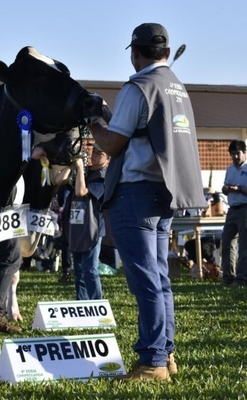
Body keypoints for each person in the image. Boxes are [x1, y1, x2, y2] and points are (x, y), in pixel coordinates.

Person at [90, 23, 207, 381]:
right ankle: (166, 354)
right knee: (159, 278)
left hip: (136, 192)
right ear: (167, 53)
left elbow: (112, 145)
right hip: (167, 191)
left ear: (134, 52)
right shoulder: (177, 87)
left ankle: (153, 361)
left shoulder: (137, 86)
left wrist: (93, 121)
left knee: (146, 281)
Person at [57, 143, 110, 300]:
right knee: (79, 270)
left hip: (92, 228)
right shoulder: (87, 172)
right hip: (76, 227)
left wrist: (80, 169)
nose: (94, 155)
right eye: (94, 152)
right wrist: (72, 164)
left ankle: (96, 303)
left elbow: (81, 192)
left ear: (108, 158)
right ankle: (82, 302)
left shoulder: (104, 176)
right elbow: (59, 180)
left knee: (89, 269)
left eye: (99, 154)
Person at [220, 140, 247, 286]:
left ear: (245, 153)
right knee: (227, 243)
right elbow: (224, 187)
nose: (235, 157)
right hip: (232, 210)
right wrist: (226, 189)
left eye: (238, 153)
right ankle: (228, 277)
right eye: (233, 154)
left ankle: (242, 278)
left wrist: (239, 189)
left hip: (245, 209)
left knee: (244, 246)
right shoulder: (229, 169)